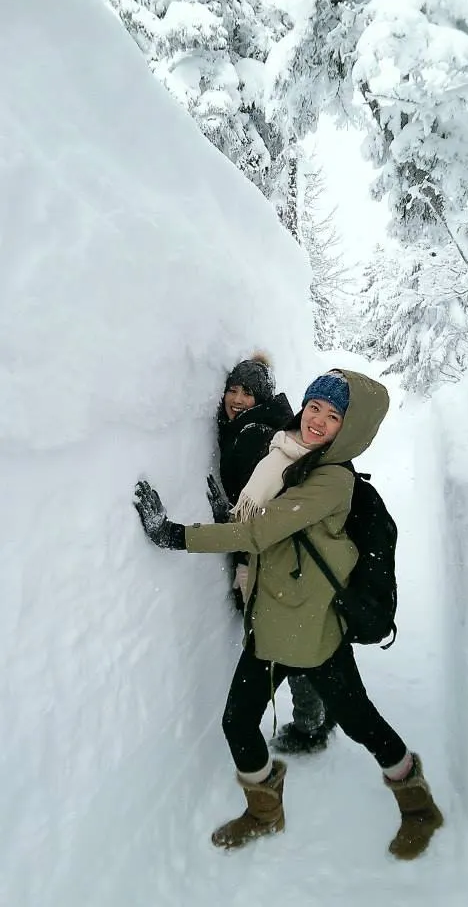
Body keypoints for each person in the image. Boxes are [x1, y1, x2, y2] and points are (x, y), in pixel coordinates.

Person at [134, 369, 444, 860]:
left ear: (350, 427)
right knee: (237, 723)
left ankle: (419, 806)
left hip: (313, 633)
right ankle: (264, 812)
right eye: (314, 407)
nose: (318, 420)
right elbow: (254, 520)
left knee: (364, 724)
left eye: (333, 414)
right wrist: (228, 513)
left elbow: (259, 534)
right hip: (270, 622)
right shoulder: (288, 455)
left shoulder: (331, 479)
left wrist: (173, 533)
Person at [207, 353, 336, 753]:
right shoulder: (254, 428)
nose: (238, 398)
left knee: (284, 643)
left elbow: (265, 511)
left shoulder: (254, 436)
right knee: (294, 641)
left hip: (269, 556)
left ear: (262, 399)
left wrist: (225, 519)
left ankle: (311, 725)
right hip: (277, 555)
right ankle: (316, 713)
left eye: (249, 392)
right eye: (233, 389)